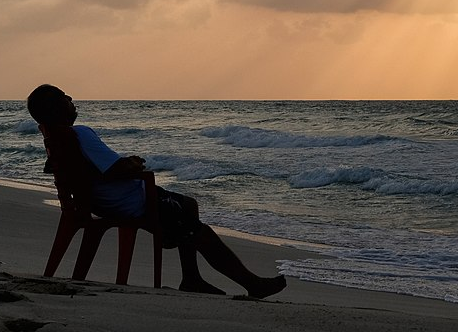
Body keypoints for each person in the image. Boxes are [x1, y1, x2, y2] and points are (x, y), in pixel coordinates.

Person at [26, 83, 286, 299]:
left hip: (106, 201)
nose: (71, 98)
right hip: (131, 201)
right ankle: (251, 283)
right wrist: (133, 163)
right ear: (56, 108)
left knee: (189, 205)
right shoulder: (80, 134)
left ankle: (191, 278)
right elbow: (114, 168)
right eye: (64, 97)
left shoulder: (57, 138)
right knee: (197, 231)